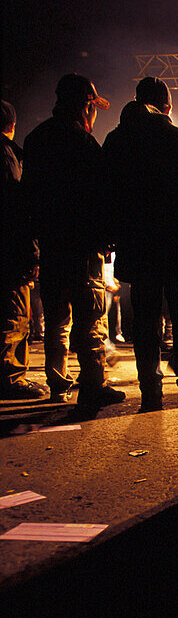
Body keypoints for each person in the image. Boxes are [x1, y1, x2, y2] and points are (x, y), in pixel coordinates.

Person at [103, 75, 178, 410]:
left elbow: (104, 193)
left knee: (145, 318)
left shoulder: (116, 140)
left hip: (136, 246)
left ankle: (150, 390)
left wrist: (114, 234)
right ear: (166, 107)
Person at [22, 74, 125, 412]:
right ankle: (94, 384)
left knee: (56, 317)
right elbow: (102, 197)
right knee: (90, 317)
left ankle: (57, 383)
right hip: (83, 246)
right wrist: (108, 237)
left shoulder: (36, 139)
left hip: (51, 242)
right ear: (85, 105)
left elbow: (29, 196)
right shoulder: (84, 144)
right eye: (93, 107)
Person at [0, 99, 45, 400]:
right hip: (9, 251)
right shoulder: (6, 158)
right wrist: (31, 251)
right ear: (12, 126)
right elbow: (16, 208)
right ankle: (11, 377)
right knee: (14, 315)